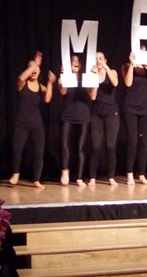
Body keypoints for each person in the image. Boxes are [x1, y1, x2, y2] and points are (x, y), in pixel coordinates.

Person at [8, 52, 56, 189]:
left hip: (36, 123)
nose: (34, 70)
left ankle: (36, 179)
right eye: (31, 67)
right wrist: (35, 63)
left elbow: (47, 99)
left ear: (39, 71)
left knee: (39, 152)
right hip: (21, 122)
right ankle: (16, 173)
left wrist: (50, 83)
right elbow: (21, 76)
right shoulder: (22, 84)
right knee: (17, 150)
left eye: (36, 68)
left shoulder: (40, 87)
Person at [121, 47, 147, 186]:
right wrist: (131, 64)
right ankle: (129, 173)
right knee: (133, 141)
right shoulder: (126, 66)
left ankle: (141, 174)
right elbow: (128, 83)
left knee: (144, 142)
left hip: (145, 108)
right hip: (130, 107)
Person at [58, 55, 92, 187]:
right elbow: (61, 91)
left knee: (80, 147)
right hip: (68, 115)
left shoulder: (86, 78)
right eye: (73, 61)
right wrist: (63, 76)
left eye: (78, 61)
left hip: (83, 116)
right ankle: (65, 171)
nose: (75, 63)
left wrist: (93, 79)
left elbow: (92, 95)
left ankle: (79, 177)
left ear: (81, 65)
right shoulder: (65, 77)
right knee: (65, 144)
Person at [88, 51, 119, 187]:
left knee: (110, 146)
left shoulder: (112, 71)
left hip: (112, 113)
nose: (98, 60)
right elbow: (93, 96)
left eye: (100, 58)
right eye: (96, 59)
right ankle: (92, 177)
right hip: (97, 114)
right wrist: (94, 78)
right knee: (95, 147)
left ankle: (111, 177)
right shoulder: (91, 75)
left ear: (105, 59)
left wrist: (105, 67)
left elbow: (115, 82)